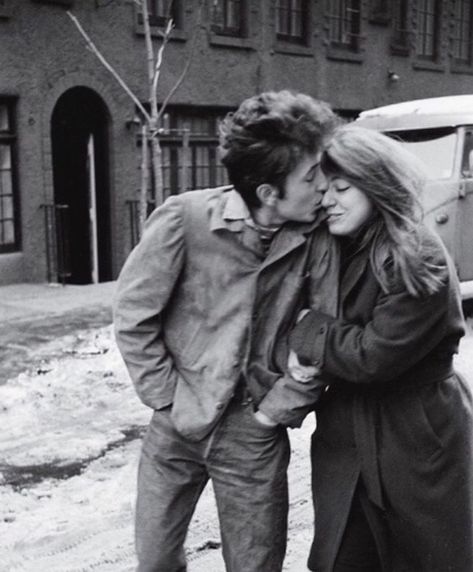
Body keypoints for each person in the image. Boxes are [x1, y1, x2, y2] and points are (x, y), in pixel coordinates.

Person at [113, 90, 340, 572]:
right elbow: (134, 314)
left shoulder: (318, 240)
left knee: (256, 565)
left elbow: (325, 334)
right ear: (267, 192)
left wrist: (273, 413)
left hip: (252, 434)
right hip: (176, 424)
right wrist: (166, 399)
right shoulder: (185, 219)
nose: (324, 186)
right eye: (310, 175)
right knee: (154, 561)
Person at [289, 124, 473, 572]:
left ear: (377, 183)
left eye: (342, 187)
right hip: (349, 430)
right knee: (344, 557)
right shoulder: (337, 246)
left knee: (428, 556)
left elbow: (374, 355)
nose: (327, 200)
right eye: (323, 189)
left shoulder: (416, 253)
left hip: (415, 429)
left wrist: (310, 330)